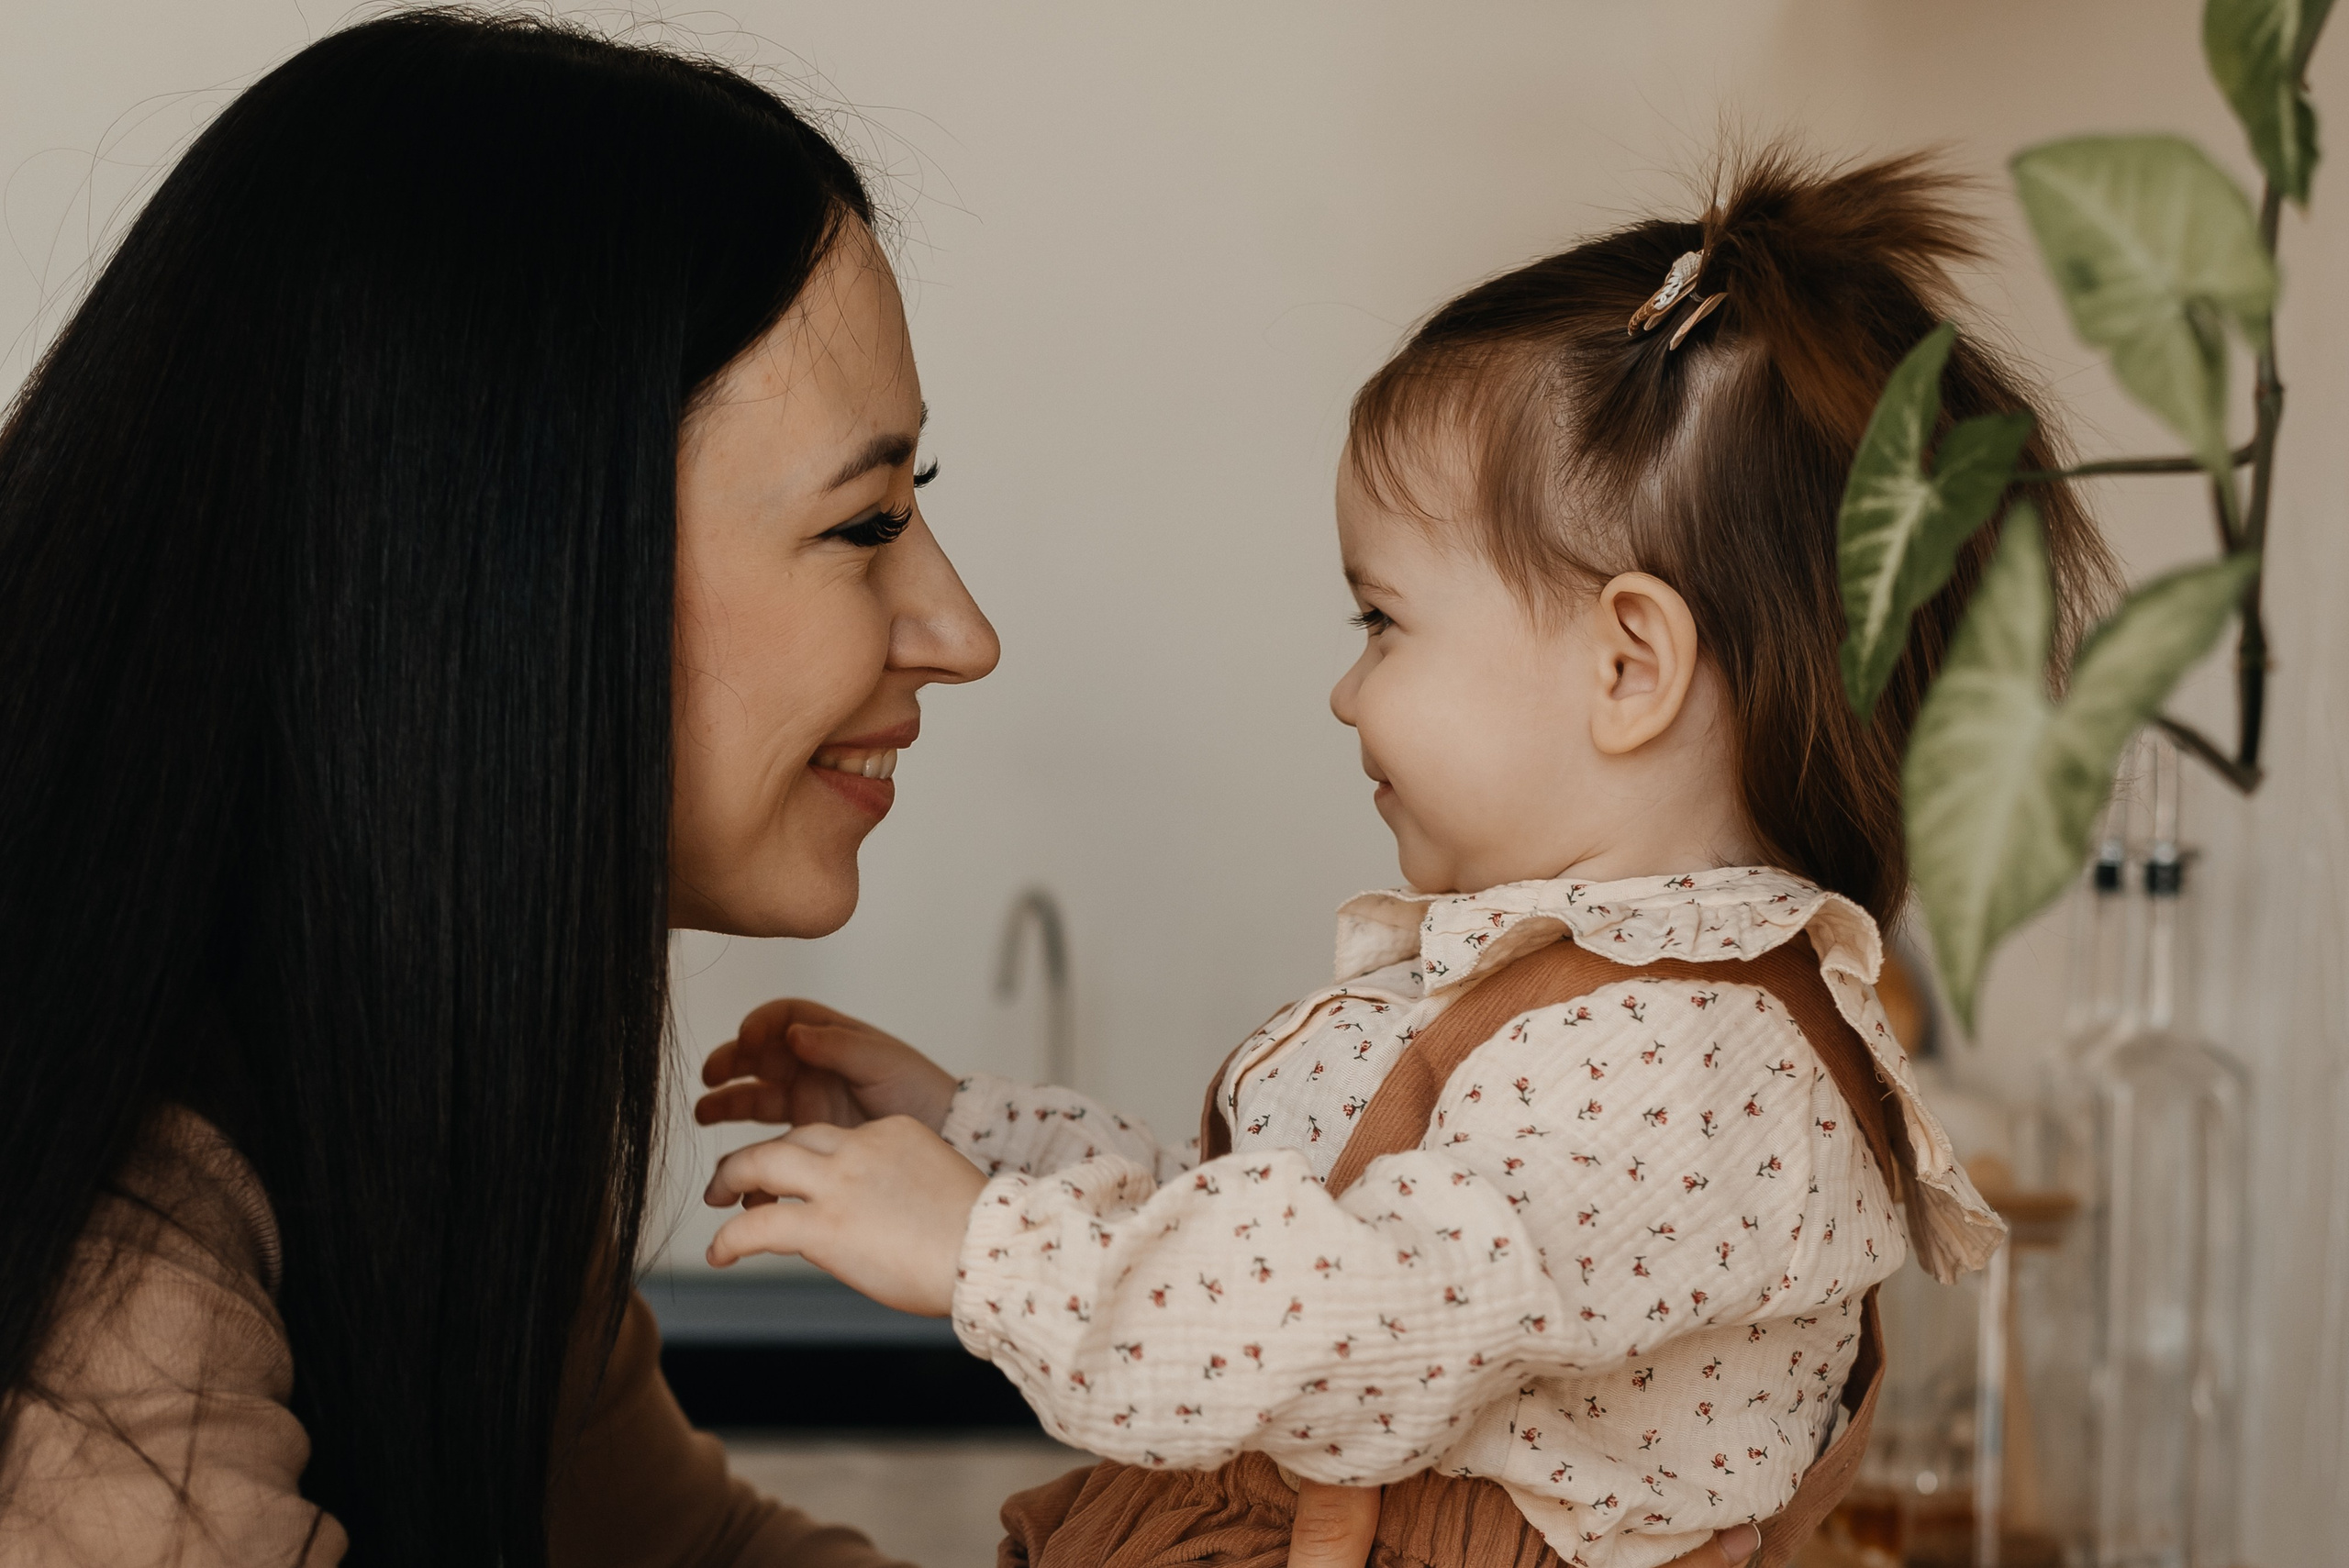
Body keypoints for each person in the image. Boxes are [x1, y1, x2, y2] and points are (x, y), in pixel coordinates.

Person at [691, 151, 2120, 1568]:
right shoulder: (1585, 1007)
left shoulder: (1702, 1065)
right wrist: (969, 1138)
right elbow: (1270, 1234)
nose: (1347, 690)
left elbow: (1350, 1315)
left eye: (1380, 621)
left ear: (1630, 664)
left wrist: (991, 1252)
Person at [0, 12, 1002, 1565]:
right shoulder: (104, 1205)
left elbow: (689, 1554)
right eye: (867, 523)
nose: (963, 635)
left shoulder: (408, 1075)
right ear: (503, 566)